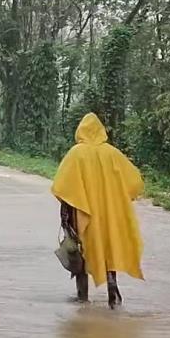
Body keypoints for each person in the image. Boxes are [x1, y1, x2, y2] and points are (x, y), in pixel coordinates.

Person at [51, 113, 145, 308]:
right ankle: (112, 286)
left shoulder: (76, 154)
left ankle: (82, 296)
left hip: (84, 214)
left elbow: (63, 187)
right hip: (110, 215)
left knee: (81, 250)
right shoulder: (112, 153)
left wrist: (65, 217)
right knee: (108, 247)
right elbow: (135, 181)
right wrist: (117, 197)